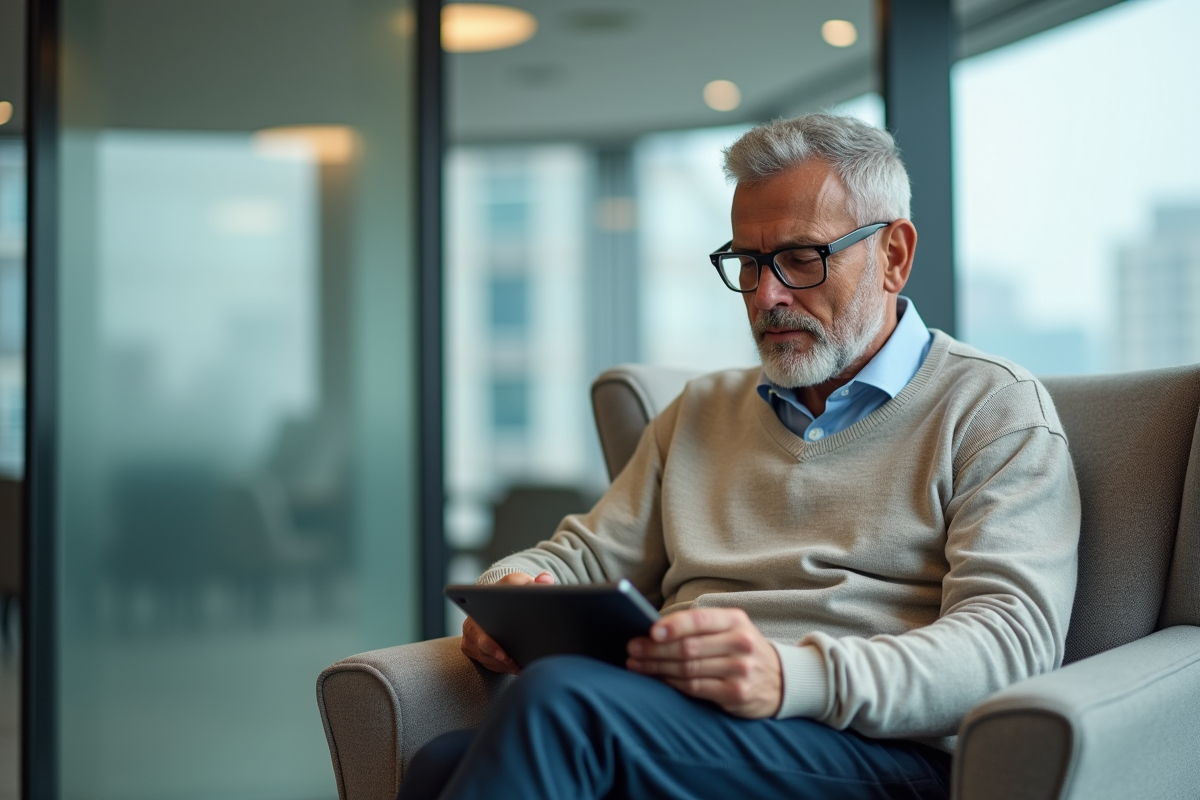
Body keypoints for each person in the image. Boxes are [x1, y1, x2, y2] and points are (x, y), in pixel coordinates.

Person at [401, 114, 1080, 800]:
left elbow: (1010, 644)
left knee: (559, 707)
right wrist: (514, 589)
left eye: (800, 258)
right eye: (750, 263)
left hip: (878, 750)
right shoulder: (701, 411)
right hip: (687, 724)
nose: (767, 296)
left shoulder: (991, 408)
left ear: (895, 255)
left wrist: (791, 676)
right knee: (441, 765)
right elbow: (580, 559)